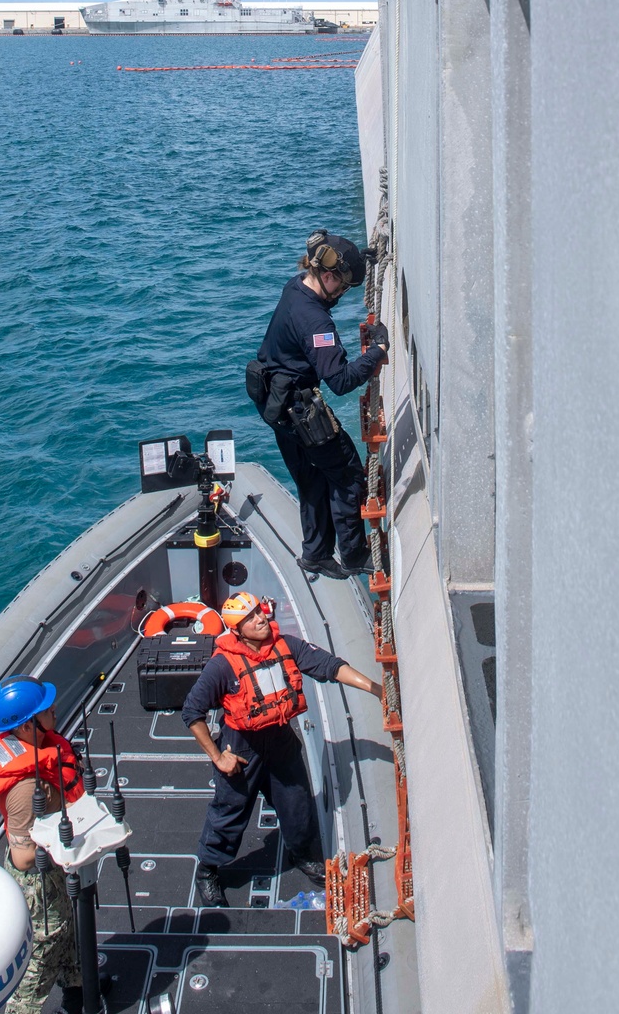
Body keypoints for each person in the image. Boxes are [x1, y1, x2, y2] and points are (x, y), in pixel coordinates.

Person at [183, 592, 382, 907]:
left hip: (279, 738)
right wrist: (218, 756)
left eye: (259, 613)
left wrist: (377, 690)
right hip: (241, 745)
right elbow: (192, 712)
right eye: (249, 618)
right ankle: (208, 869)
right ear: (237, 631)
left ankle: (302, 853)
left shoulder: (286, 646)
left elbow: (329, 666)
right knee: (230, 809)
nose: (260, 619)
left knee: (297, 800)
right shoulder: (222, 667)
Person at [251, 228, 388, 580]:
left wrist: (360, 260)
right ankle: (355, 555)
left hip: (274, 404)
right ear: (327, 276)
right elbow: (340, 380)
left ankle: (315, 555)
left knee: (310, 478)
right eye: (342, 287)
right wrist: (377, 352)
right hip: (299, 411)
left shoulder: (296, 285)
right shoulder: (315, 321)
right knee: (348, 477)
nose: (341, 295)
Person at [0, 676, 84, 1014]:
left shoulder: (37, 747)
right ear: (27, 725)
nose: (55, 711)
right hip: (38, 880)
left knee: (70, 929)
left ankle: (79, 988)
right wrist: (65, 836)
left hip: (56, 862)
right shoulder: (24, 788)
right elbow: (22, 857)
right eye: (46, 710)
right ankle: (23, 1007)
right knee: (47, 942)